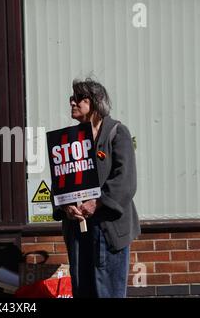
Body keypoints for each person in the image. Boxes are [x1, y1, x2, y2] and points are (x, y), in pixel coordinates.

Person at [52, 78, 141, 298]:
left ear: (95, 102)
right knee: (83, 290)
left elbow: (125, 181)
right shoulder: (69, 139)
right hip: (78, 230)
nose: (73, 102)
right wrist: (65, 206)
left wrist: (97, 202)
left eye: (79, 98)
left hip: (108, 229)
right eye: (71, 98)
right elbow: (60, 181)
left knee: (108, 291)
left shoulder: (117, 133)